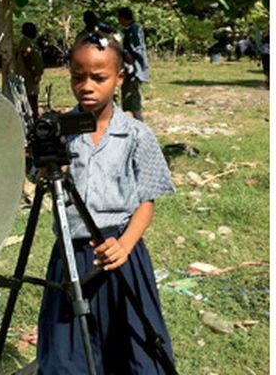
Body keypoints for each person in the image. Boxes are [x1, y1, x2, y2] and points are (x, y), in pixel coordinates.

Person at [36, 30, 176, 375]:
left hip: (121, 255)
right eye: (77, 76)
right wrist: (46, 163)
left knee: (132, 349)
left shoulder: (136, 135)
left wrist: (126, 245)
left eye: (99, 78)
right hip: (72, 256)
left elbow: (146, 201)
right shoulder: (58, 131)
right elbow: (42, 182)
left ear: (119, 77)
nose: (87, 86)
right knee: (68, 357)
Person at [117, 6, 150, 121]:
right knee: (127, 100)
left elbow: (137, 49)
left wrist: (123, 51)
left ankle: (141, 129)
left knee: (133, 102)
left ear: (123, 18)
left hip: (135, 71)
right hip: (130, 71)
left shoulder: (134, 30)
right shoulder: (130, 29)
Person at [14, 21, 45, 119]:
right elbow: (26, 57)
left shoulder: (30, 42)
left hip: (32, 75)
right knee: (31, 97)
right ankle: (33, 117)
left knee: (33, 95)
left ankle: (33, 116)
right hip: (28, 76)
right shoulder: (25, 42)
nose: (35, 32)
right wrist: (33, 72)